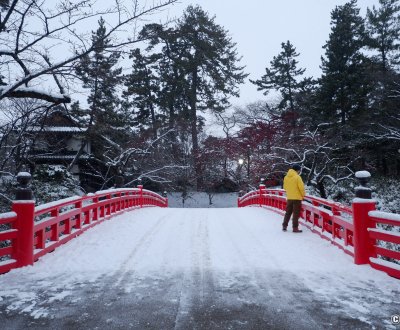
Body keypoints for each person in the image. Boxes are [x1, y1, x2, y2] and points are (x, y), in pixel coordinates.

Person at [282, 164, 305, 233]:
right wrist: (303, 195)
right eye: (299, 170)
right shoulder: (297, 177)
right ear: (297, 170)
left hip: (289, 197)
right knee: (296, 213)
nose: (299, 172)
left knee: (288, 212)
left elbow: (285, 187)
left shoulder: (286, 177)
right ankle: (295, 228)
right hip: (297, 198)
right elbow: (301, 188)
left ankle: (284, 226)